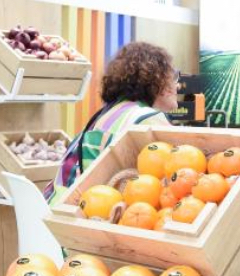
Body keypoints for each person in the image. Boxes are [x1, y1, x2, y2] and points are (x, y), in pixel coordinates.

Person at [46, 42, 180, 202]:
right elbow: (175, 175)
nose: (177, 84)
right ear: (158, 80)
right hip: (83, 215)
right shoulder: (147, 119)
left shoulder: (110, 112)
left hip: (57, 206)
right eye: (173, 76)